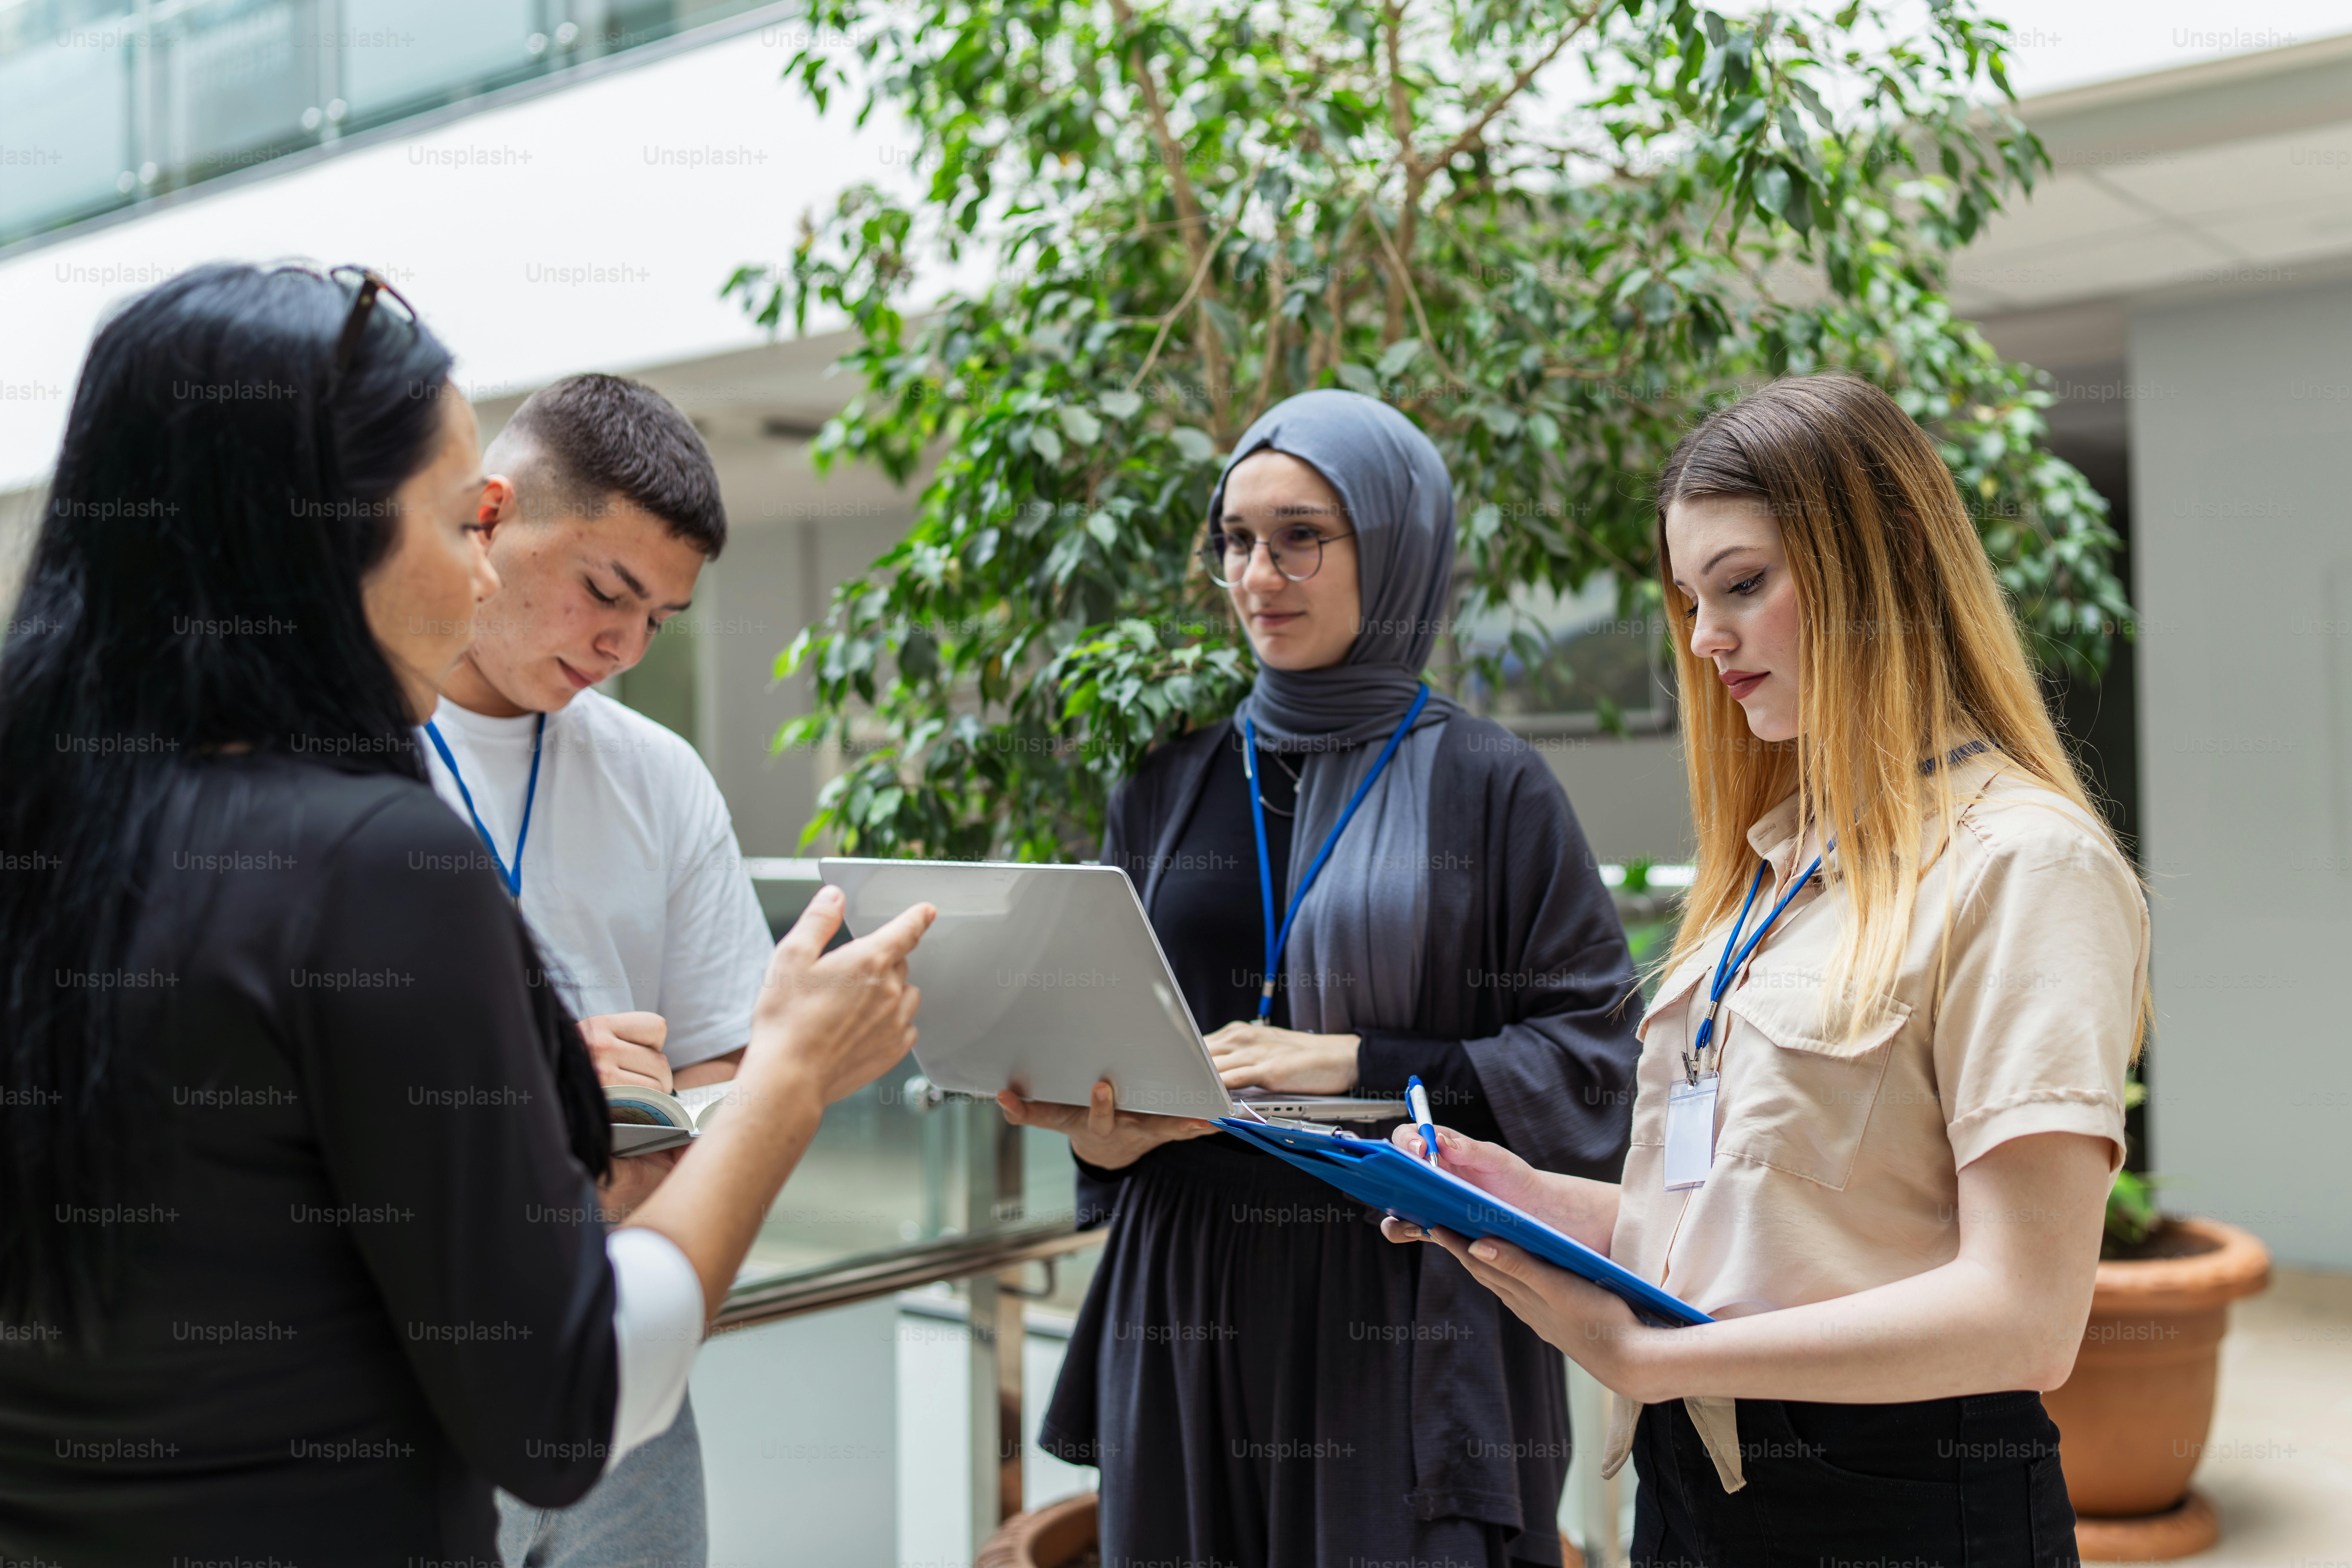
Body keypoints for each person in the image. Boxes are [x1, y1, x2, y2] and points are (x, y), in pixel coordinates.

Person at [0, 263, 933, 1565]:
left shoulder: (59, 825)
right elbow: (560, 1410)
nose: (481, 580)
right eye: (461, 523)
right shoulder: (373, 862)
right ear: (311, 532)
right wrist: (788, 1079)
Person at [1382, 374, 2147, 1565]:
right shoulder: (1774, 859)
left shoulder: (2026, 865)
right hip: (1695, 1485)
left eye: (1743, 585)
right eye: (1690, 599)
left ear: (1882, 573)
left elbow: (2026, 1319)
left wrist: (1648, 1356)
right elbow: (1754, 1230)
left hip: (1897, 1499)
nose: (1704, 640)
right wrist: (1522, 1197)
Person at [1001, 389, 1641, 1567]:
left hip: (1400, 1289)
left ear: (1393, 549)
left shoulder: (1491, 786)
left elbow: (1598, 1064)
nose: (1259, 574)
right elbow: (1115, 1030)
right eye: (1237, 541)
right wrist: (1099, 1131)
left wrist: (1358, 1064)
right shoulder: (1172, 780)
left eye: (1302, 536)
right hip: (1188, 1289)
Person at [408, 371, 774, 1567]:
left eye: (658, 622)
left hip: (625, 1383)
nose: (622, 646)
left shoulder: (659, 776)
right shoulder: (343, 757)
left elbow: (730, 1070)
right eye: (604, 591)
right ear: (492, 514)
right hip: (402, 1392)